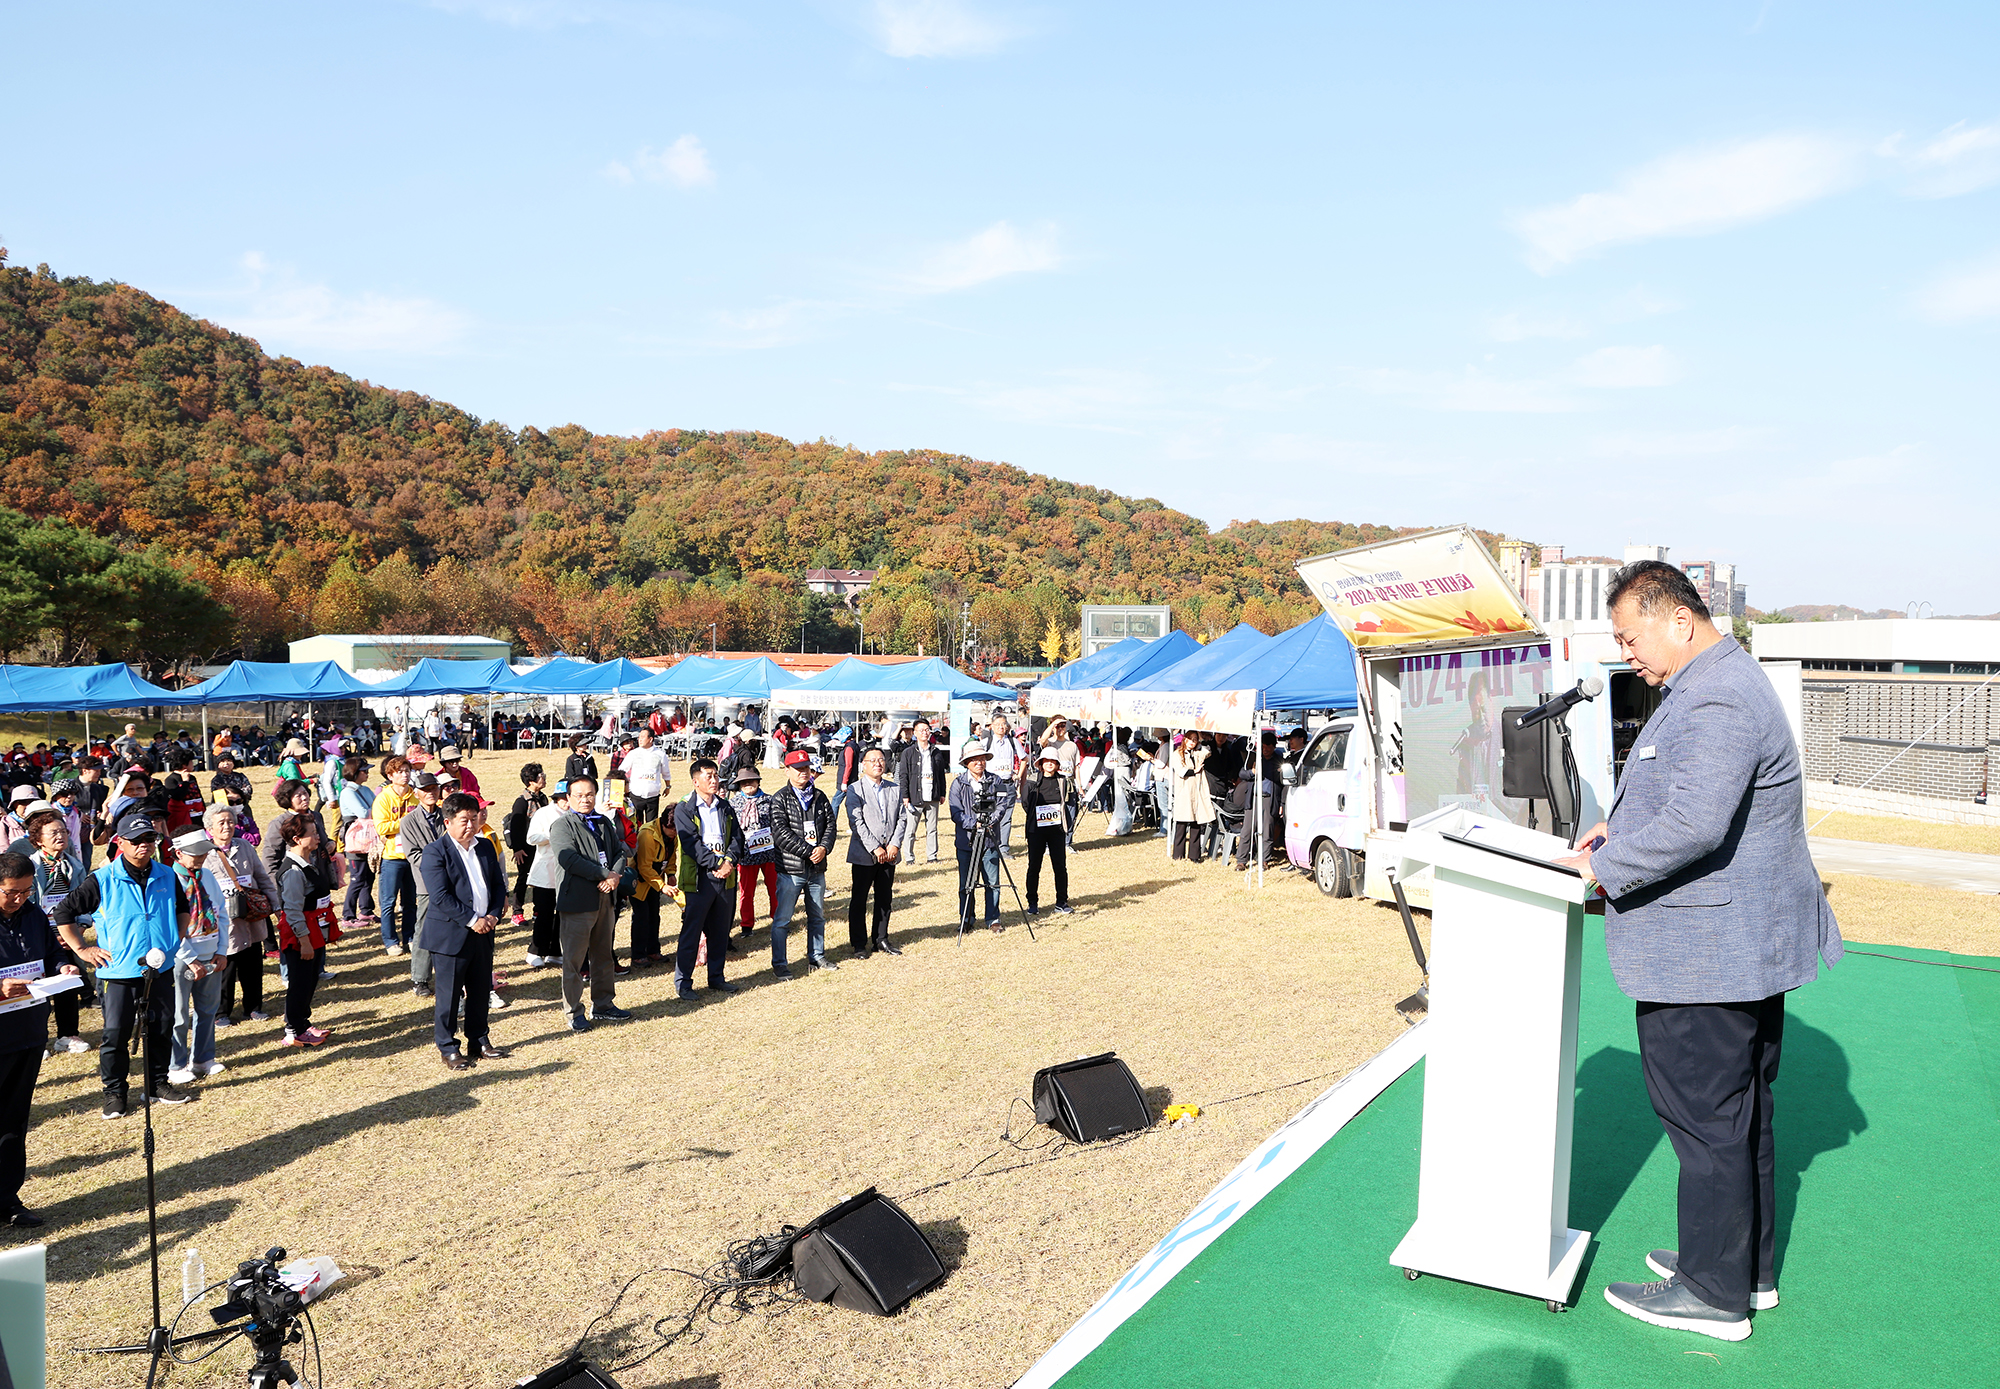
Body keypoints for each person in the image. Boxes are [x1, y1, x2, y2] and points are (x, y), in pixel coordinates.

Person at [1557, 561, 1844, 1342]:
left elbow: (1697, 824)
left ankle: (1713, 1293)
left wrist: (1601, 866)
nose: (1626, 655)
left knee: (1707, 1119)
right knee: (1739, 1116)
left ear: (1678, 619)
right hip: (1734, 946)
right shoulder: (1715, 681)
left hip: (1708, 953)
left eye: (1630, 636)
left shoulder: (1715, 692)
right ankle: (1740, 1267)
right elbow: (1687, 801)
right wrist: (1622, 831)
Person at [52, 812, 196, 1116]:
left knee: (162, 1025)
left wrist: (176, 938)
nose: (144, 845)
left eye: (150, 839)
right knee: (116, 1032)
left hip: (160, 968)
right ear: (120, 842)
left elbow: (183, 908)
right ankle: (115, 1093)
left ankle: (157, 1084)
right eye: (136, 841)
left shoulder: (167, 874)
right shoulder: (102, 879)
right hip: (118, 971)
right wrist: (82, 949)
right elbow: (63, 913)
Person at [0, 852, 79, 1225]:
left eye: (26, 892)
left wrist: (60, 966)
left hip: (29, 1034)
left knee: (14, 1123)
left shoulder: (32, 914)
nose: (19, 899)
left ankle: (8, 1200)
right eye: (11, 893)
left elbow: (49, 954)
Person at [419, 793, 510, 1071]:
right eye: (464, 820)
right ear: (447, 822)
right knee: (449, 994)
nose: (470, 825)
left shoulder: (483, 847)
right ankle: (448, 1047)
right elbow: (441, 896)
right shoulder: (436, 851)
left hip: (484, 930)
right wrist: (473, 920)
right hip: (451, 935)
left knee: (481, 989)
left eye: (474, 818)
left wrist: (493, 913)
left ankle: (479, 1040)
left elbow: (497, 884)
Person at [550, 777, 632, 1030]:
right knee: (574, 961)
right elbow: (569, 860)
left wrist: (615, 876)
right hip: (578, 900)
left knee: (603, 955)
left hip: (606, 898)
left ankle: (604, 1004)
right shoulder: (562, 825)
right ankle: (574, 1012)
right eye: (579, 795)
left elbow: (620, 852)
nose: (585, 799)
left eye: (589, 794)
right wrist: (603, 874)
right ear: (568, 798)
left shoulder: (604, 822)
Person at [672, 760, 747, 999]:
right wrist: (716, 864)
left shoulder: (725, 806)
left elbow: (737, 838)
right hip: (699, 879)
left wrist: (729, 861)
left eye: (715, 775)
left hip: (725, 877)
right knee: (692, 932)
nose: (714, 780)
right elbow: (691, 844)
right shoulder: (684, 808)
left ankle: (716, 977)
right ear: (696, 781)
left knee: (720, 931)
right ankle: (683, 983)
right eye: (708, 776)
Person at [203, 805, 277, 1029]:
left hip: (251, 914)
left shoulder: (244, 845)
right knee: (225, 966)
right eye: (221, 823)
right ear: (210, 829)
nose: (227, 826)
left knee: (253, 962)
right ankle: (221, 1011)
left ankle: (253, 1007)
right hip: (223, 919)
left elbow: (261, 877)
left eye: (230, 821)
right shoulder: (205, 853)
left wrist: (275, 904)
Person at [165, 830, 229, 1085]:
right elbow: (169, 924)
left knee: (207, 1010)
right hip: (182, 957)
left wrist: (222, 950)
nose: (202, 856)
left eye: (204, 850)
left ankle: (203, 1058)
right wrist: (189, 957)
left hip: (211, 951)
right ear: (178, 853)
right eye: (196, 852)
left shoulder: (207, 875)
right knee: (179, 1014)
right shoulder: (169, 879)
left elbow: (221, 911)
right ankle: (177, 1064)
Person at [26, 810, 91, 1053]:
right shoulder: (31, 867)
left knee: (68, 984)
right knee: (37, 988)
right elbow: (28, 906)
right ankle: (36, 1039)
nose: (60, 836)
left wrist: (79, 928)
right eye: (53, 832)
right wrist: (49, 936)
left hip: (69, 933)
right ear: (38, 839)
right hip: (39, 934)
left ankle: (67, 1035)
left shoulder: (73, 864)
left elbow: (84, 901)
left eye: (63, 831)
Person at [768, 749, 837, 976]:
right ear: (787, 771)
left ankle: (817, 956)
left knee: (817, 916)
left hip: (816, 869)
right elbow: (781, 834)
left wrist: (824, 848)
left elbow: (830, 826)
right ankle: (780, 963)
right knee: (783, 920)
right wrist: (809, 851)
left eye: (806, 768)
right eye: (797, 769)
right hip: (791, 869)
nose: (803, 773)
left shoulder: (820, 797)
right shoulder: (779, 799)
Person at [273, 816, 336, 1047]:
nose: (318, 835)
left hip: (313, 930)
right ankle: (294, 1030)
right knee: (299, 982)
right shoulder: (292, 871)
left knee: (309, 980)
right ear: (297, 839)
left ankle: (303, 1023)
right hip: (300, 935)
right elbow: (292, 909)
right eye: (312, 832)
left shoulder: (307, 862)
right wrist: (305, 941)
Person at [845, 746, 907, 958]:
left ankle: (881, 938)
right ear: (863, 764)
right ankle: (859, 944)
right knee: (859, 899)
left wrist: (894, 844)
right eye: (872, 760)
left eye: (881, 760)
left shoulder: (894, 788)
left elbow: (902, 818)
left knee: (884, 898)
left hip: (889, 853)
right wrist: (875, 847)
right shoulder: (855, 789)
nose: (878, 764)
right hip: (865, 854)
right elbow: (857, 823)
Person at [396, 773, 450, 999]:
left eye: (434, 788)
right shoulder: (408, 821)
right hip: (427, 883)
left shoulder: (447, 815)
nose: (430, 792)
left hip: (453, 880)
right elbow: (413, 855)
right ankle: (420, 978)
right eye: (425, 789)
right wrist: (441, 862)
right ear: (415, 792)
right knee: (424, 930)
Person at [948, 741, 1012, 931]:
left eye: (982, 758)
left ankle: (993, 919)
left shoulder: (996, 780)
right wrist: (973, 824)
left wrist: (992, 819)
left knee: (993, 882)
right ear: (966, 762)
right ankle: (966, 918)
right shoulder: (958, 784)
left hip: (989, 839)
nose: (979, 762)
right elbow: (955, 812)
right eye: (974, 759)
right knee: (966, 884)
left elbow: (1003, 802)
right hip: (966, 841)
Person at [372, 755, 420, 957]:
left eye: (407, 770)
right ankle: (390, 940)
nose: (405, 774)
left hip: (412, 856)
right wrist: (406, 822)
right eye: (400, 771)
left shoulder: (415, 796)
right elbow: (381, 827)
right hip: (392, 857)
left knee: (410, 901)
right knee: (388, 902)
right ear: (390, 775)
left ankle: (410, 937)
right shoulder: (383, 798)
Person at [1021, 749, 1075, 915]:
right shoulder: (1032, 781)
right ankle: (1032, 903)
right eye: (1046, 761)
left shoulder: (1064, 781)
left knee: (1060, 866)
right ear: (1041, 763)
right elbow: (1025, 803)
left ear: (1058, 764)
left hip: (1057, 830)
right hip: (1036, 831)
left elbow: (1071, 803)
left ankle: (1061, 901)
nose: (1049, 763)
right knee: (1034, 866)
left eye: (1053, 761)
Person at [728, 766, 778, 937]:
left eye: (751, 780)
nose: (748, 784)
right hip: (746, 856)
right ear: (739, 785)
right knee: (746, 892)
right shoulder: (732, 804)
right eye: (744, 782)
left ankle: (778, 920)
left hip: (770, 853)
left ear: (758, 782)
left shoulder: (770, 801)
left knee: (775, 888)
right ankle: (747, 925)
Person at [523, 777, 568, 967]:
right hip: (545, 871)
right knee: (544, 914)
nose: (566, 802)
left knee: (562, 913)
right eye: (563, 798)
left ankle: (555, 951)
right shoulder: (544, 813)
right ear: (556, 799)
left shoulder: (575, 814)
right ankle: (535, 951)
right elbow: (531, 838)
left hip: (566, 872)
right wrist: (551, 835)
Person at [628, 796, 676, 968]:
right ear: (665, 825)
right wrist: (662, 886)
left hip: (656, 880)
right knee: (641, 917)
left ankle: (653, 950)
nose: (676, 834)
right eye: (673, 831)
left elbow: (671, 856)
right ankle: (638, 955)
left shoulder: (672, 835)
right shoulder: (648, 835)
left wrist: (670, 873)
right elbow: (644, 867)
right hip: (640, 882)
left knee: (654, 916)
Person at [896, 719, 950, 865]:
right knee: (911, 829)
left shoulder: (936, 751)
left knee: (932, 828)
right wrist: (905, 795)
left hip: (933, 794)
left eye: (927, 729)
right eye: (921, 730)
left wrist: (942, 793)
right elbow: (903, 776)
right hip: (914, 796)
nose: (925, 733)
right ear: (915, 733)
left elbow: (941, 774)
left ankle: (932, 856)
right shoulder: (908, 753)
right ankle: (909, 858)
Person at [506, 764, 548, 928]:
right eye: (540, 775)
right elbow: (515, 827)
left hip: (540, 846)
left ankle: (538, 910)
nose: (543, 778)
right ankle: (517, 913)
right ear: (531, 780)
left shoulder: (543, 798)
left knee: (540, 878)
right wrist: (517, 849)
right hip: (524, 848)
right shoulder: (522, 801)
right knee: (523, 879)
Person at [1169, 734, 1214, 862]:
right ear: (1185, 739)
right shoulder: (1177, 754)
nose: (1192, 742)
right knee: (1181, 824)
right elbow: (1181, 771)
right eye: (1190, 739)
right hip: (1184, 791)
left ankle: (1194, 855)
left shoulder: (1196, 753)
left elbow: (1207, 752)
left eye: (1195, 740)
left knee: (1196, 823)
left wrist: (1199, 744)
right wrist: (1195, 770)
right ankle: (1178, 855)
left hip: (1197, 791)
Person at [621, 728, 670, 826]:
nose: (640, 739)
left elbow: (666, 773)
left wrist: (668, 786)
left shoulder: (660, 754)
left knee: (651, 825)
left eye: (643, 737)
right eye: (639, 737)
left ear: (650, 739)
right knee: (636, 823)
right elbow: (621, 770)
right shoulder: (633, 753)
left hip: (653, 796)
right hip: (636, 794)